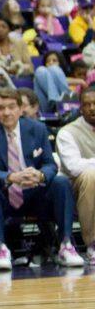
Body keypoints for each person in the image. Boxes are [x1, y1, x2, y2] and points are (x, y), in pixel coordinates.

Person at [0, 87, 83, 271]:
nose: (6, 112)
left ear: (20, 108)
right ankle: (0, 248)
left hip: (34, 194)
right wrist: (11, 177)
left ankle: (66, 244)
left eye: (11, 107)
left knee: (61, 182)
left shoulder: (37, 128)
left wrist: (40, 175)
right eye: (1, 108)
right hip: (4, 195)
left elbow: (50, 164)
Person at [56, 86, 95, 265]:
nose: (92, 108)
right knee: (90, 174)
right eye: (87, 105)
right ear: (80, 108)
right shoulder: (67, 132)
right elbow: (73, 167)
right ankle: (92, 244)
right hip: (74, 189)